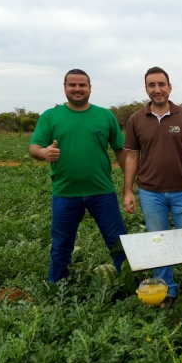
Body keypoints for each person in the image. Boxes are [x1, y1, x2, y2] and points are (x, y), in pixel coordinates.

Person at [29, 69, 127, 282]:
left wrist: (129, 184)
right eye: (72, 85)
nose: (77, 89)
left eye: (82, 85)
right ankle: (58, 285)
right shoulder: (50, 116)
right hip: (65, 193)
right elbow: (34, 147)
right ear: (65, 88)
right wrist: (43, 152)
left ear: (90, 88)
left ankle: (130, 283)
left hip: (102, 192)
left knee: (118, 242)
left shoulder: (105, 116)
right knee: (61, 244)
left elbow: (120, 149)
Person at [123, 66, 182, 306]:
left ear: (170, 87)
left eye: (161, 84)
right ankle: (167, 290)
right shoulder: (136, 119)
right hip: (150, 193)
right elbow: (131, 156)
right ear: (146, 89)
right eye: (152, 85)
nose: (157, 89)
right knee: (158, 243)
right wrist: (128, 190)